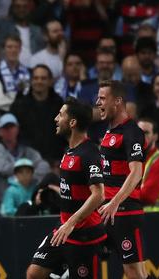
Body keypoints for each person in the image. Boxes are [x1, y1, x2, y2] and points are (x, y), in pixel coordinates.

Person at [27, 98, 106, 279]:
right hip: (63, 228)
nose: (56, 118)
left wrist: (71, 222)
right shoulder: (69, 151)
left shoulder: (89, 153)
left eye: (60, 114)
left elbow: (99, 194)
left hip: (84, 234)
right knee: (34, 274)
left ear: (72, 122)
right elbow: (74, 189)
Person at [95, 80, 148, 279]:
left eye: (102, 98)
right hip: (107, 210)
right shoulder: (109, 131)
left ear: (117, 101)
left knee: (134, 272)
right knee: (137, 272)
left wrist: (115, 202)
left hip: (125, 212)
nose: (98, 102)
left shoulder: (132, 132)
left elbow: (136, 173)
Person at [0, 113, 51, 204]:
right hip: (4, 201)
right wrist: (27, 169)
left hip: (29, 199)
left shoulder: (27, 150)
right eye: (5, 128)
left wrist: (28, 177)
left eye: (11, 127)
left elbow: (44, 166)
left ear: (17, 129)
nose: (9, 130)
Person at [10, 65, 65, 163]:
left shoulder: (60, 105)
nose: (39, 81)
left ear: (50, 81)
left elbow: (64, 134)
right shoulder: (19, 105)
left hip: (55, 160)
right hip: (27, 161)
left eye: (43, 78)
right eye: (36, 78)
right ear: (31, 81)